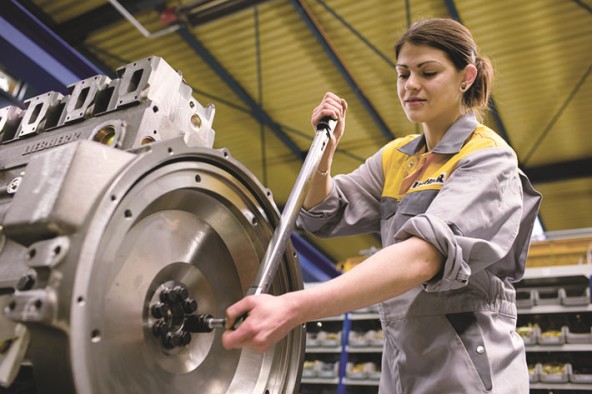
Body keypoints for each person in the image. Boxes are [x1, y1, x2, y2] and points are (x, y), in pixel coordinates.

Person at [222, 18, 541, 393]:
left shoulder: (488, 157)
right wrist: (325, 155)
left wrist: (295, 307)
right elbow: (324, 214)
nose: (411, 85)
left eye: (428, 72)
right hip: (402, 359)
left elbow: (424, 256)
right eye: (403, 73)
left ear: (465, 78)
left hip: (468, 364)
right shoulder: (397, 157)